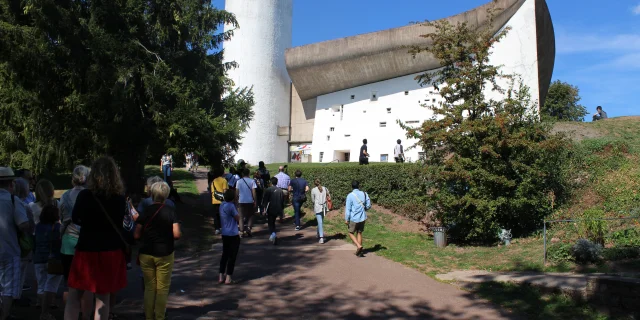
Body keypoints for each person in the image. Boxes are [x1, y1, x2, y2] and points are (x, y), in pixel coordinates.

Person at [64, 156, 128, 320]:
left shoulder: (85, 196)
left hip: (87, 248)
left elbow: (76, 218)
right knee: (103, 299)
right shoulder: (119, 199)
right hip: (110, 250)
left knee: (74, 297)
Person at [135, 181, 181, 320]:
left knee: (149, 287)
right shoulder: (170, 212)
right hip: (165, 253)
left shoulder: (145, 212)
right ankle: (159, 316)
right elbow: (177, 234)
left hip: (146, 253)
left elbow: (136, 234)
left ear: (152, 194)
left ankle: (149, 316)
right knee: (162, 288)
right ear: (166, 195)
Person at [58, 166, 94, 319]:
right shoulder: (92, 196)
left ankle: (70, 314)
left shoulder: (65, 196)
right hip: (87, 241)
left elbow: (61, 217)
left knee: (70, 284)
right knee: (88, 285)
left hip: (68, 241)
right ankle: (86, 316)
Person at [0, 167, 30, 320]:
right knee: (8, 288)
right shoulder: (13, 200)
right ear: (11, 184)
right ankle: (4, 316)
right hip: (9, 250)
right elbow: (23, 224)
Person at [33, 205, 63, 320]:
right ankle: (45, 312)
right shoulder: (57, 227)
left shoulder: (38, 226)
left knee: (41, 286)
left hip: (39, 258)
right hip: (53, 259)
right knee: (50, 286)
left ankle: (42, 309)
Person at [12, 178, 36, 299]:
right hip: (23, 243)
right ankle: (16, 296)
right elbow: (31, 227)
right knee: (21, 271)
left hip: (10, 242)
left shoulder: (9, 203)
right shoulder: (26, 207)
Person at [219, 189, 241, 285]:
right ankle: (228, 277)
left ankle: (220, 275)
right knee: (232, 256)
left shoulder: (222, 205)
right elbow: (238, 218)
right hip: (233, 233)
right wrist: (237, 206)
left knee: (225, 254)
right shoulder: (231, 206)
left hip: (224, 232)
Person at [345, 180, 371, 257]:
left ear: (352, 186)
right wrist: (364, 208)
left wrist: (347, 219)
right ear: (358, 186)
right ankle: (359, 250)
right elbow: (368, 205)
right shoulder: (364, 193)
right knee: (359, 232)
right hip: (362, 217)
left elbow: (348, 209)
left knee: (350, 233)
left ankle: (358, 246)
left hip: (354, 217)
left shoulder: (350, 195)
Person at [262, 177, 285, 245]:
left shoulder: (268, 190)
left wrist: (264, 210)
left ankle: (273, 234)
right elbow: (282, 201)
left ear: (271, 182)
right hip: (278, 208)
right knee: (273, 221)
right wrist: (282, 210)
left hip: (270, 208)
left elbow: (265, 201)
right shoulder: (280, 190)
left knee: (270, 222)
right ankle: (273, 234)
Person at [235, 168, 256, 237]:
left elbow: (237, 193)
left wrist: (236, 200)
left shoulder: (238, 182)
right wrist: (255, 200)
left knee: (241, 217)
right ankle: (249, 228)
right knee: (251, 215)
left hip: (241, 201)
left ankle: (241, 231)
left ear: (242, 174)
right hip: (250, 201)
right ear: (249, 173)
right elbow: (254, 192)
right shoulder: (252, 181)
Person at [311, 179, 330, 244]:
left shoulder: (313, 190)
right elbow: (329, 196)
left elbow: (313, 200)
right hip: (324, 207)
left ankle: (321, 237)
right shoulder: (325, 188)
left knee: (320, 222)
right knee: (320, 221)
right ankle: (318, 233)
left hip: (317, 207)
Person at [210, 167, 228, 235]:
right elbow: (225, 191)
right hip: (222, 201)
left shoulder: (214, 181)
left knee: (216, 215)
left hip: (214, 200)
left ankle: (217, 228)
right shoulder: (224, 180)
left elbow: (212, 191)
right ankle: (222, 227)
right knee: (223, 215)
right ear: (223, 173)